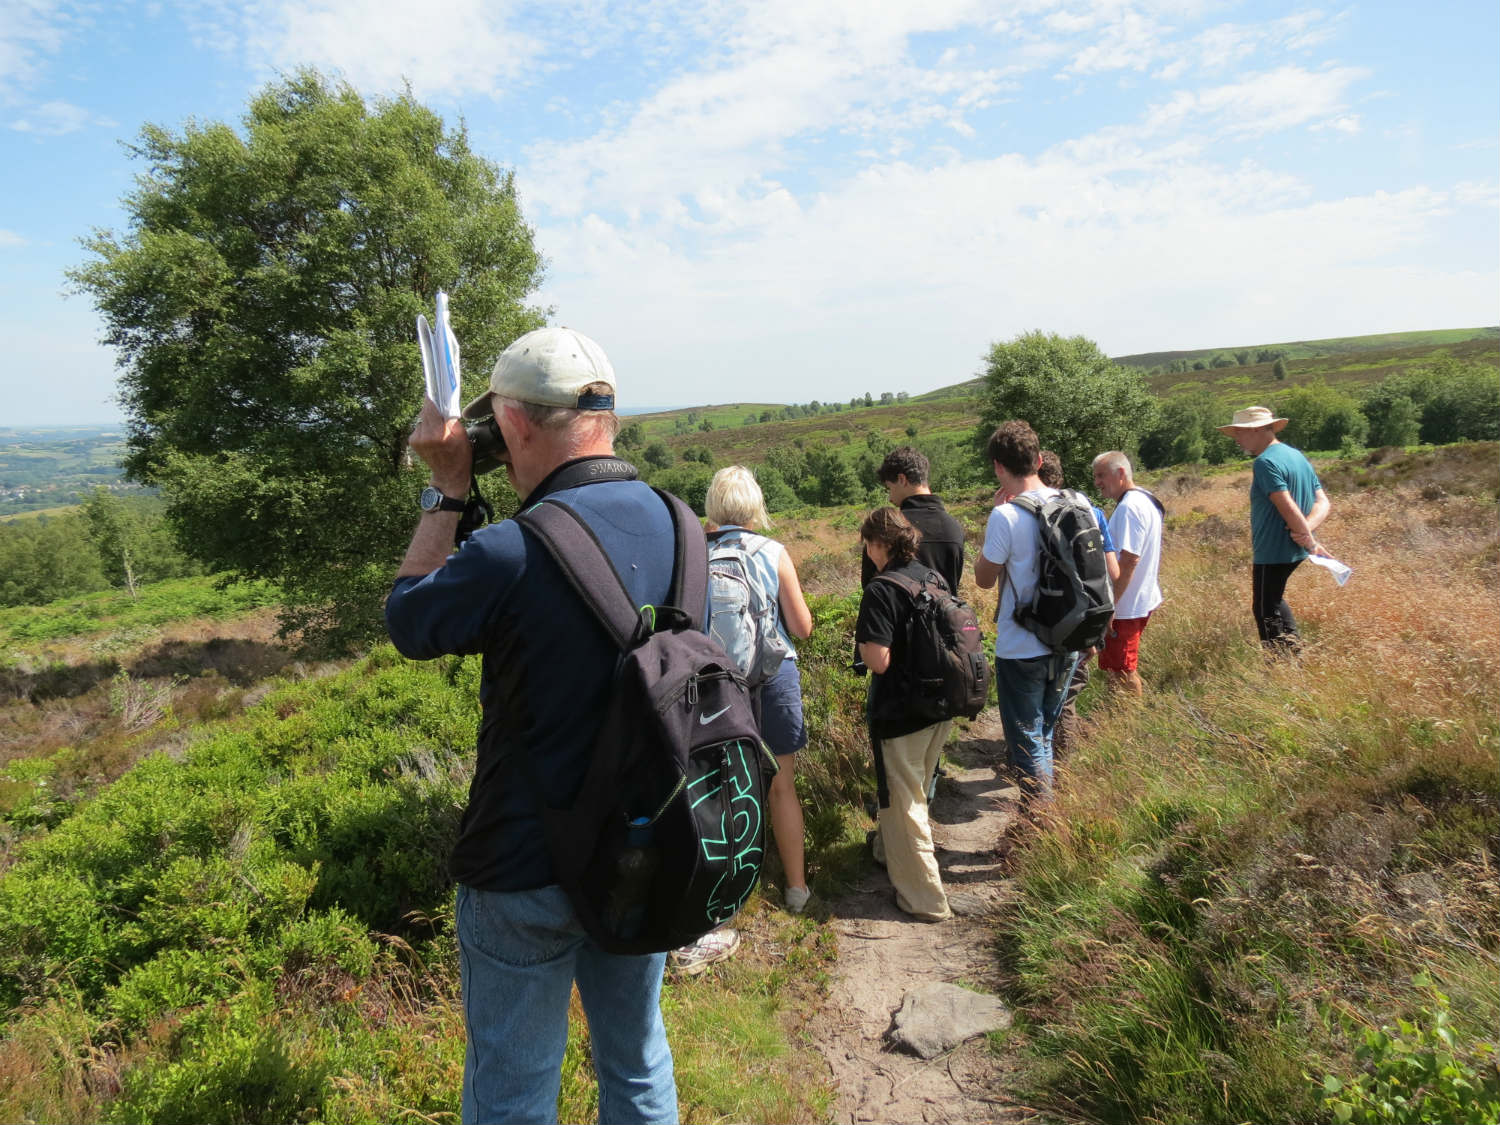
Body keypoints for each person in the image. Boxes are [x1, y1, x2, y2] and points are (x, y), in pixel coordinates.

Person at [386, 326, 679, 1125]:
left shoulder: (512, 549)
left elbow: (410, 620)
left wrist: (447, 488)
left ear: (514, 425)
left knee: (513, 1091)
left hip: (525, 862)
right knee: (638, 1059)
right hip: (644, 849)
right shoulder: (683, 524)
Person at [669, 466, 815, 975]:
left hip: (718, 688)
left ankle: (729, 896)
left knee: (724, 792)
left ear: (712, 507)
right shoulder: (772, 553)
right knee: (782, 786)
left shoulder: (698, 557)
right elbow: (802, 626)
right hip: (774, 680)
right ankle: (796, 889)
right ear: (755, 506)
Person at [856, 506, 953, 922]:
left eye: (867, 543)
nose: (866, 551)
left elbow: (878, 660)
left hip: (902, 711)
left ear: (879, 544)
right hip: (940, 706)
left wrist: (863, 646)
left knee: (904, 803)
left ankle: (925, 900)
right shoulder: (931, 577)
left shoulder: (881, 589)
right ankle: (887, 854)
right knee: (915, 793)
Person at [973, 421, 1078, 802]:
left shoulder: (1006, 516)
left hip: (1022, 646)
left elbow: (984, 579)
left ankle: (1042, 825)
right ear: (1038, 459)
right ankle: (1044, 820)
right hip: (1068, 638)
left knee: (1025, 742)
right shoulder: (1075, 502)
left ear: (999, 468)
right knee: (1045, 731)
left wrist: (994, 523)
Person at [1218, 406, 1331, 651]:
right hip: (1292, 548)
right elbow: (1323, 501)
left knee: (1265, 609)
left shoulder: (1264, 462)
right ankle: (1293, 655)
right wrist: (1306, 532)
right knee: (1273, 601)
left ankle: (1281, 665)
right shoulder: (1295, 455)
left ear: (1258, 430)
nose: (1236, 439)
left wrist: (1308, 539)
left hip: (1273, 550)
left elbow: (1286, 505)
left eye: (1240, 432)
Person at [1037, 451, 1118, 755]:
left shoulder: (1030, 513)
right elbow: (1113, 571)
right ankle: (1063, 772)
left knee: (1034, 700)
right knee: (1067, 697)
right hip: (1082, 624)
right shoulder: (1091, 512)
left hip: (1042, 625)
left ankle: (1039, 772)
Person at [1091, 451, 1163, 696]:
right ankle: (1117, 715)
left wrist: (1111, 606)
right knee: (1116, 666)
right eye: (1095, 477)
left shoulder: (1129, 507)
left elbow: (1130, 560)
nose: (1097, 482)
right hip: (1136, 599)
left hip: (1125, 607)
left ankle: (1130, 722)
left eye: (1101, 475)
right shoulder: (1144, 498)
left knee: (1123, 669)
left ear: (1120, 472)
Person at [860, 446, 966, 595]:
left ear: (902, 479)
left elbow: (871, 589)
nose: (890, 498)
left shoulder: (886, 528)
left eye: (889, 488)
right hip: (947, 617)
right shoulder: (954, 526)